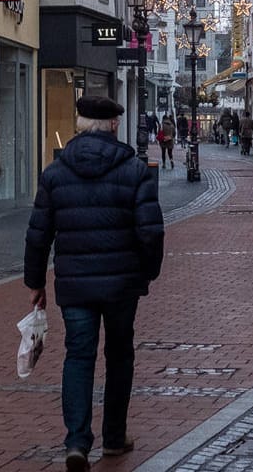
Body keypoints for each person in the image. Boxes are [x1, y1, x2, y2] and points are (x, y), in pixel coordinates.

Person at [25, 96, 165, 472]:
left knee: (78, 356)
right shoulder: (134, 170)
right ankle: (115, 437)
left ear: (79, 123)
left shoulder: (55, 172)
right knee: (119, 355)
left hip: (74, 284)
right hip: (121, 284)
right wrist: (148, 273)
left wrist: (36, 281)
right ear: (114, 125)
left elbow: (38, 233)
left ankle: (77, 442)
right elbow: (151, 230)